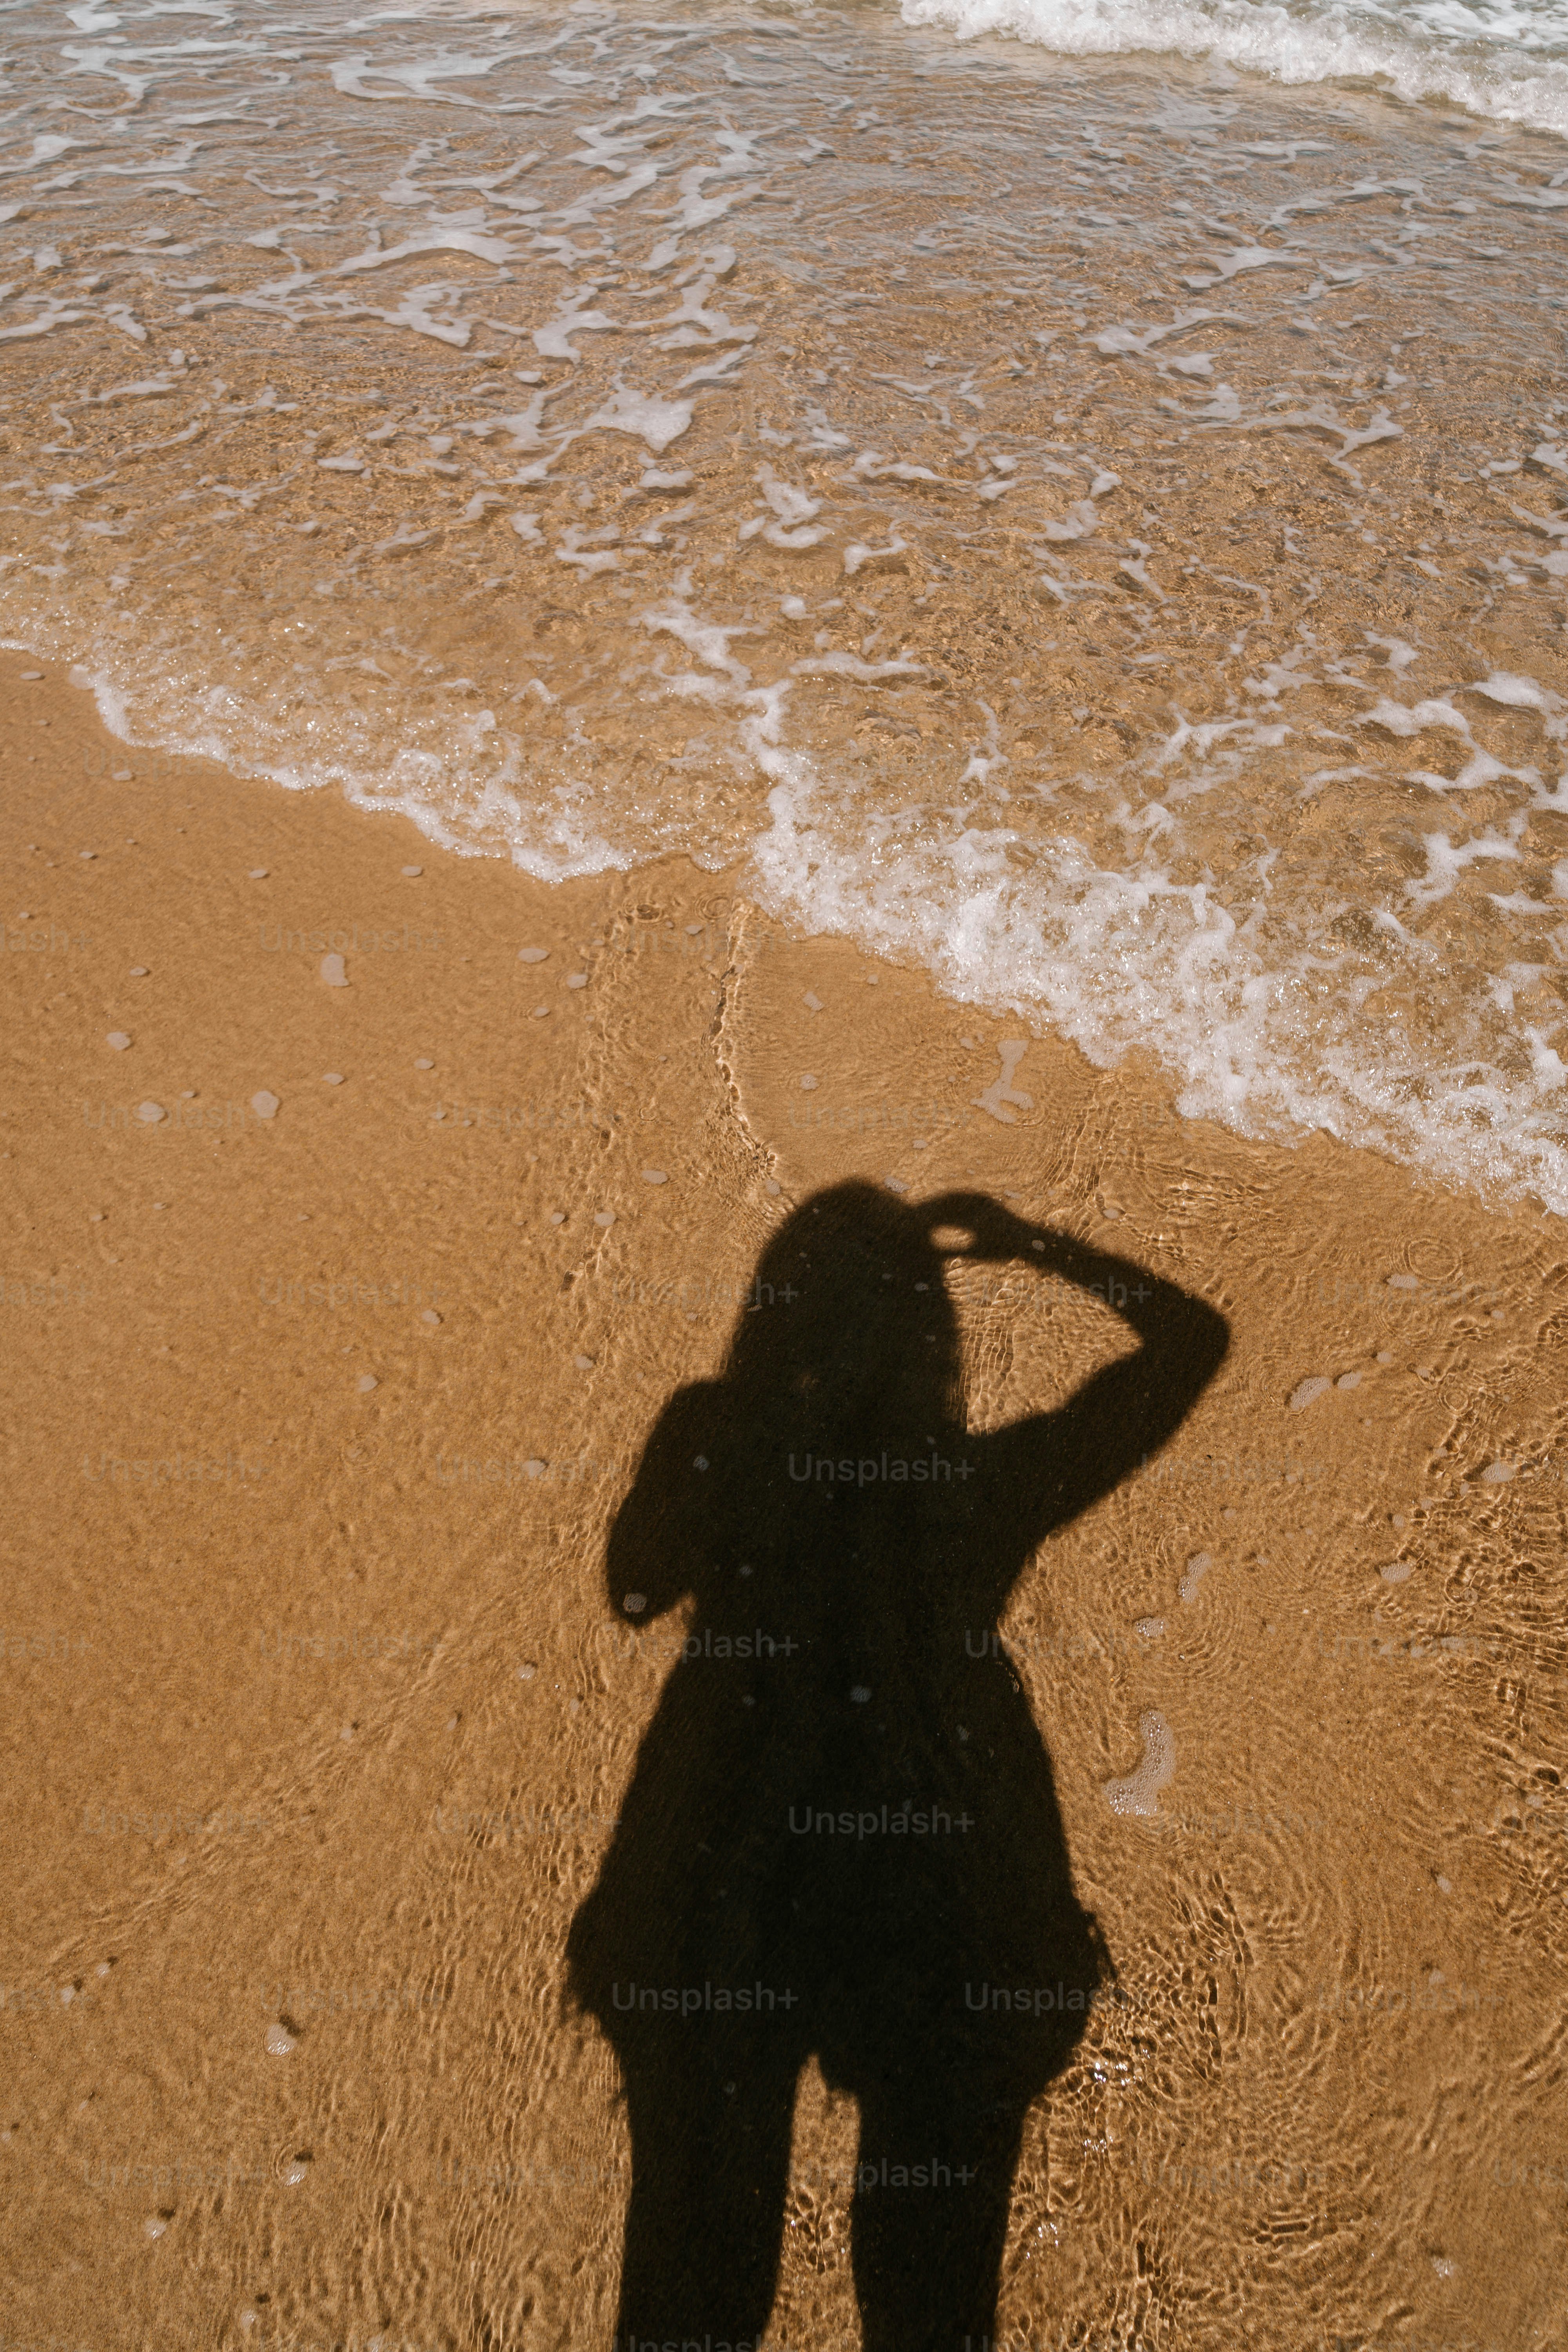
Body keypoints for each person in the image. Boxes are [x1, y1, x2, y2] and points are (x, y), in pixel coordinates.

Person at [567, 1181, 1229, 2352]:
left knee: (691, 2306)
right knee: (928, 2315)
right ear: (935, 1339)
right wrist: (1030, 1245)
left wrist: (749, 1427)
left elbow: (632, 1587)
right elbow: (1188, 1343)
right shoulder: (970, 1494)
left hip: (723, 1878)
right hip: (940, 1904)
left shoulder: (727, 1442)